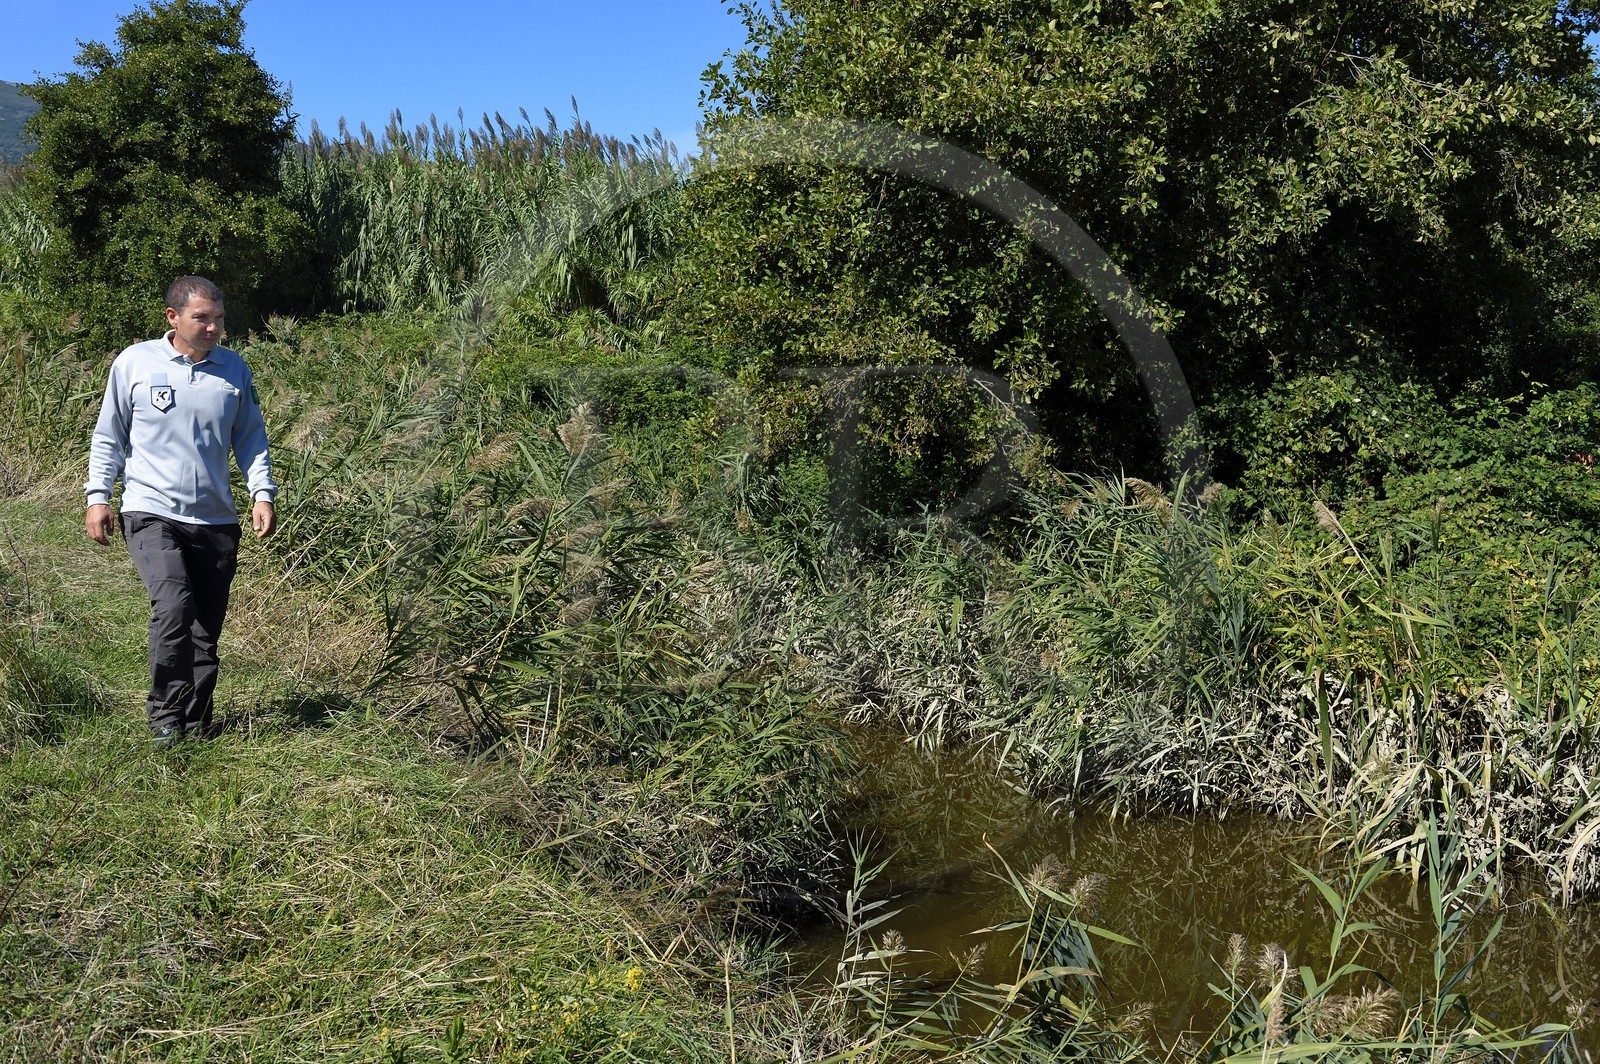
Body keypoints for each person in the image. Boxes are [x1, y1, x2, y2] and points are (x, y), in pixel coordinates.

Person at [84, 276, 278, 746]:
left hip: (215, 519)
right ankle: (165, 717)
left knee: (205, 627)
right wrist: (98, 497)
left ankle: (196, 722)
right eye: (202, 318)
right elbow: (109, 435)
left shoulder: (233, 369)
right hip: (150, 510)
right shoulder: (135, 363)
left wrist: (262, 492)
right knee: (172, 607)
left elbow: (251, 437)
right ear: (173, 317)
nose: (213, 327)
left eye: (219, 318)